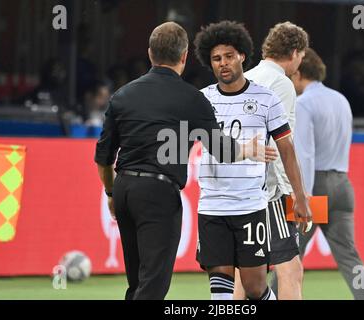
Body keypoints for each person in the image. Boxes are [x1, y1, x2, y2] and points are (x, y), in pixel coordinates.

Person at [94, 22, 275, 300]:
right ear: (183, 56)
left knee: (136, 281)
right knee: (153, 283)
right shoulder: (192, 98)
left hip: (124, 190)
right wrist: (247, 150)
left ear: (150, 53)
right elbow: (221, 150)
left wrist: (110, 193)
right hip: (159, 193)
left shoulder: (123, 95)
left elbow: (103, 157)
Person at [194, 20, 311, 300]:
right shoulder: (201, 100)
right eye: (216, 58)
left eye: (229, 56)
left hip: (251, 205)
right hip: (212, 204)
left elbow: (287, 150)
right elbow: (181, 143)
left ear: (243, 56)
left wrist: (300, 197)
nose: (223, 63)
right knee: (220, 287)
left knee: (255, 287)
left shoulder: (267, 98)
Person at [235, 21, 309, 300]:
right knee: (290, 269)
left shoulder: (247, 77)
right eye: (301, 56)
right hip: (268, 191)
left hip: (238, 189)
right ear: (293, 52)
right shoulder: (282, 84)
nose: (299, 64)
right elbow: (281, 147)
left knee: (248, 270)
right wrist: (295, 196)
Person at [291, 48, 364, 300]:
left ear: (299, 73)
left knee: (289, 257)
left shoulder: (303, 103)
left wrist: (302, 196)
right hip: (342, 182)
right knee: (350, 256)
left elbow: (305, 154)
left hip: (315, 185)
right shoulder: (341, 99)